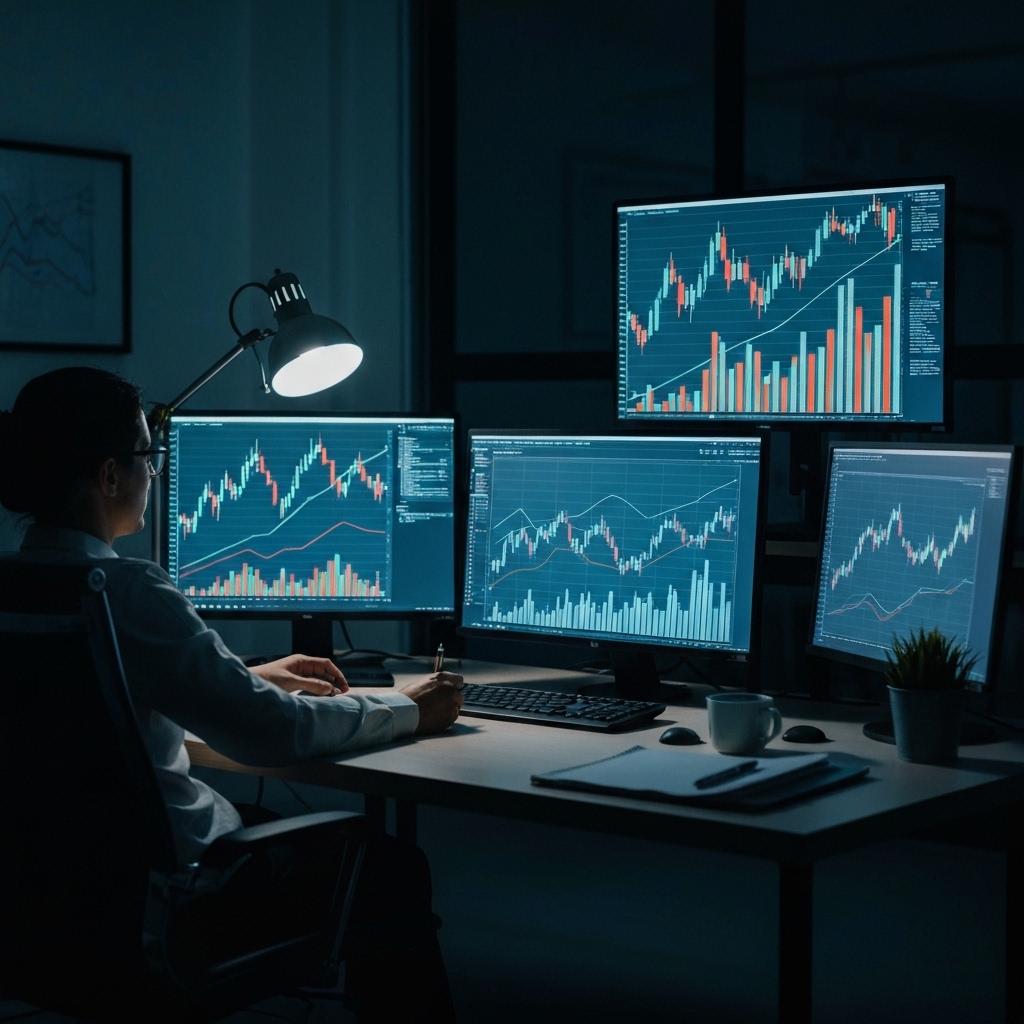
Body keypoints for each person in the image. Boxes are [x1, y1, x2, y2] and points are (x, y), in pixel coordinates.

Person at [0, 367, 463, 1022]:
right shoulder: (127, 591)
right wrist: (411, 708)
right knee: (389, 868)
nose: (153, 474)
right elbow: (273, 734)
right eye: (146, 458)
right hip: (179, 895)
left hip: (50, 903)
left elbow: (87, 716)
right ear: (108, 476)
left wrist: (248, 680)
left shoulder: (18, 589)